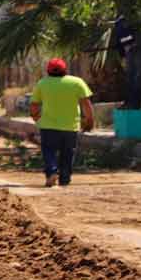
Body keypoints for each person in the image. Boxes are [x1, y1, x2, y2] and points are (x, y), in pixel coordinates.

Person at [30, 58, 94, 188]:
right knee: (68, 153)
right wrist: (89, 120)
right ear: (65, 69)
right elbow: (86, 104)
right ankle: (64, 178)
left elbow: (34, 105)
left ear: (48, 70)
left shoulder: (42, 83)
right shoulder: (77, 82)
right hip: (70, 127)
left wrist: (36, 118)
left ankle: (52, 172)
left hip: (48, 126)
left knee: (49, 151)